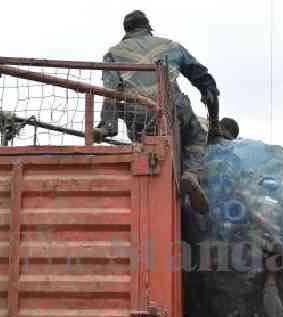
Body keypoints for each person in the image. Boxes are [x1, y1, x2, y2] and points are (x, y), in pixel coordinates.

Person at [94, 10, 219, 214]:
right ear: (148, 28)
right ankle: (192, 173)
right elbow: (203, 78)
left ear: (126, 31)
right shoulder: (171, 46)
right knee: (196, 135)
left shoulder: (112, 53)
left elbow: (111, 91)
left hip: (138, 116)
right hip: (173, 109)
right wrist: (212, 109)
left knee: (144, 148)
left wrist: (106, 127)